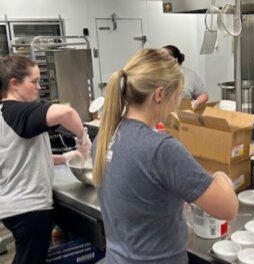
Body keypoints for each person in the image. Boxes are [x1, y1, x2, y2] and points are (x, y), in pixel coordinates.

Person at [92, 49, 238, 263]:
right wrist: (220, 177)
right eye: (176, 96)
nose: (176, 104)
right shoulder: (161, 149)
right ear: (159, 95)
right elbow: (228, 208)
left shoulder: (104, 137)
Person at [0, 54, 91, 264]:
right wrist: (83, 139)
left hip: (13, 206)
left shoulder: (4, 113)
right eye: (33, 81)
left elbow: (20, 157)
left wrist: (66, 156)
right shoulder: (17, 112)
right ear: (14, 84)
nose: (38, 87)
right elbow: (66, 113)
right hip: (29, 209)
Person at [161, 45, 209, 109]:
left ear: (175, 59)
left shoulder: (190, 75)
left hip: (185, 114)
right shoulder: (155, 76)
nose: (160, 59)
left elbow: (203, 94)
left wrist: (196, 102)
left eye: (164, 56)